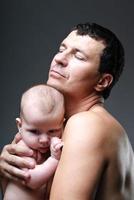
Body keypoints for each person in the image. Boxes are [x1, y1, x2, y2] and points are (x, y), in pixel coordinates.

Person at [0, 22, 134, 199]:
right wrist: (8, 174)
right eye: (61, 49)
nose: (59, 59)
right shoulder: (56, 130)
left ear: (102, 82)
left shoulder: (88, 124)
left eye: (78, 56)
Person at [2, 84, 64, 200]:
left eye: (52, 131)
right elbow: (31, 180)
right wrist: (54, 159)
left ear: (62, 124)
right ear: (20, 126)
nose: (44, 140)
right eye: (34, 131)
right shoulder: (23, 149)